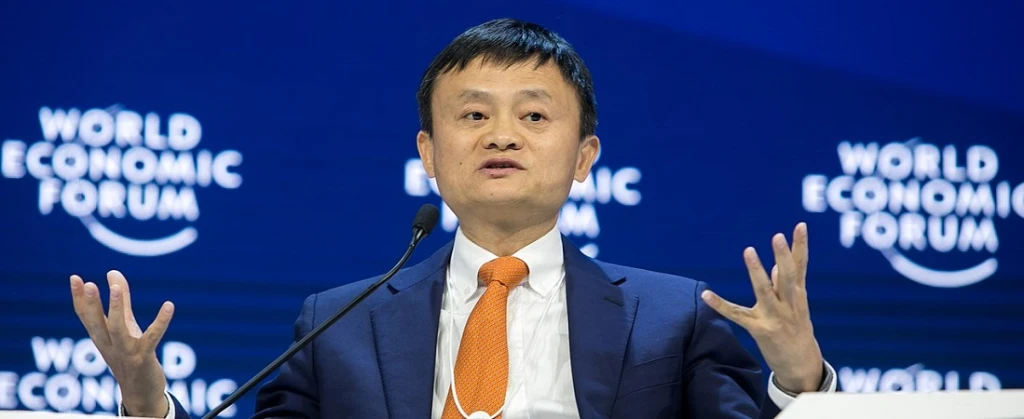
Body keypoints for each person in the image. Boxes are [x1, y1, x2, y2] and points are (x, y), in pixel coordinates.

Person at [70, 18, 835, 419]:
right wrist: (147, 403)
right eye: (473, 115)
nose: (502, 135)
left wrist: (799, 379)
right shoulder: (336, 324)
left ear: (584, 157)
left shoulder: (672, 316)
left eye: (534, 115)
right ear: (429, 155)